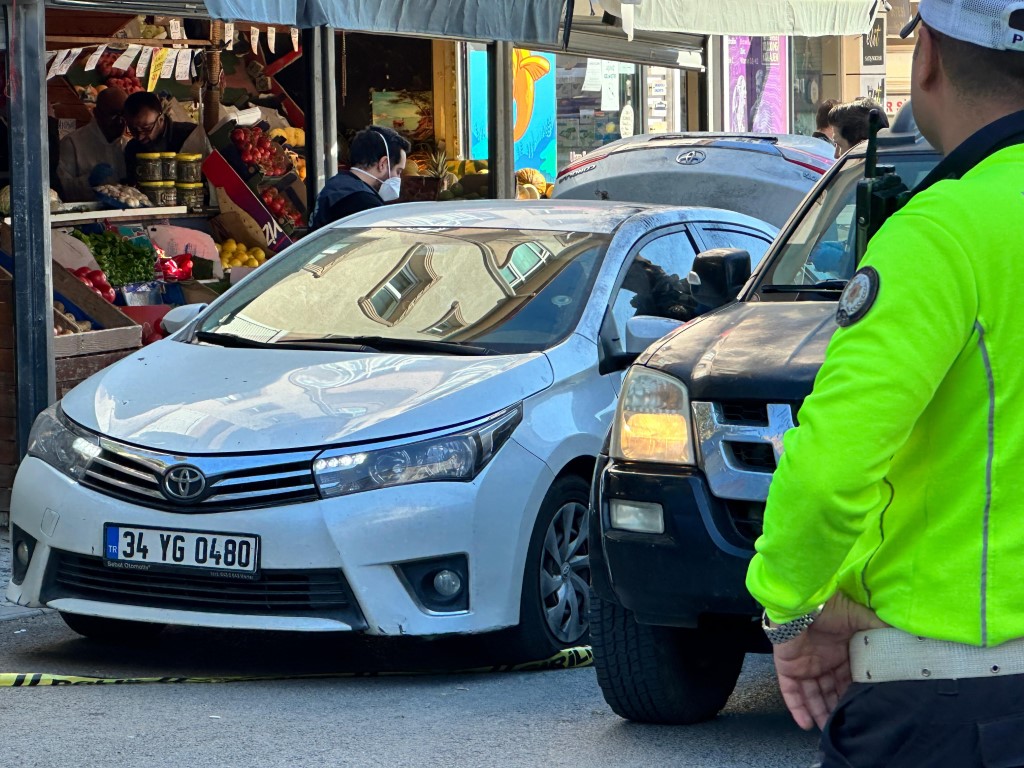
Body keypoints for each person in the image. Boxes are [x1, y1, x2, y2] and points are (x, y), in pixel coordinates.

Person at [745, 0, 1024, 765]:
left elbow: (830, 472)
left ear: (926, 55)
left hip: (955, 709)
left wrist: (791, 611)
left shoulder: (945, 230)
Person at [308, 126, 409, 230]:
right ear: (383, 163)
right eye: (398, 171)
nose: (398, 178)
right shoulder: (365, 203)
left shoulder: (337, 185)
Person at [56, 86, 128, 202]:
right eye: (113, 115)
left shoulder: (127, 145)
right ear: (96, 113)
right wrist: (88, 181)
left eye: (124, 115)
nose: (120, 121)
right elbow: (61, 190)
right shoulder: (72, 144)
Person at [123, 91, 197, 182]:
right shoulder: (132, 148)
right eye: (132, 130)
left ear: (161, 119)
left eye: (146, 128)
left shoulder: (191, 136)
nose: (140, 137)